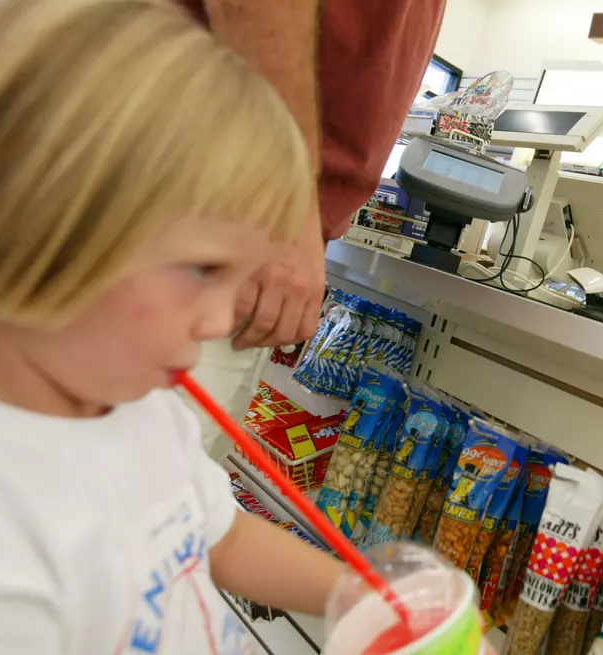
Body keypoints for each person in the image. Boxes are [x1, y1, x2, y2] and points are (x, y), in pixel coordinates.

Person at [0, 1, 346, 651]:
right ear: (48, 215)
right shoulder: (12, 542)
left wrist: (354, 592)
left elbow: (220, 535)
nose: (221, 317)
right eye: (203, 268)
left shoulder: (140, 406)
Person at [177, 0, 447, 459]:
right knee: (134, 494)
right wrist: (283, 201)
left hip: (235, 208)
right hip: (214, 204)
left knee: (179, 494)